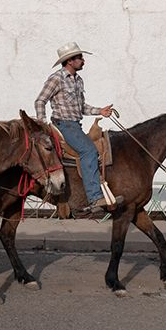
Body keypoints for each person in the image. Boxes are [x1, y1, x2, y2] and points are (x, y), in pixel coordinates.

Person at [34, 42, 122, 215]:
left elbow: (81, 107)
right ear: (69, 61)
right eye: (80, 58)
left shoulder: (78, 81)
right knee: (89, 151)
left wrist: (99, 111)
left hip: (75, 125)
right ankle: (94, 197)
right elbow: (40, 101)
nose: (83, 61)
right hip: (64, 125)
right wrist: (42, 124)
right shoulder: (56, 78)